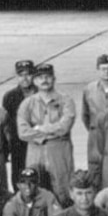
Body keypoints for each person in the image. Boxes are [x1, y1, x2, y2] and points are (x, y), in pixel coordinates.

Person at [17, 62, 75, 194]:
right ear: (35, 81)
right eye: (40, 77)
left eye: (48, 76)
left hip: (59, 152)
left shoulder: (66, 101)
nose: (44, 80)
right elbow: (23, 132)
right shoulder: (27, 104)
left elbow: (64, 127)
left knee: (64, 190)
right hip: (35, 152)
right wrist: (51, 132)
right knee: (35, 190)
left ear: (54, 78)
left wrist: (39, 129)